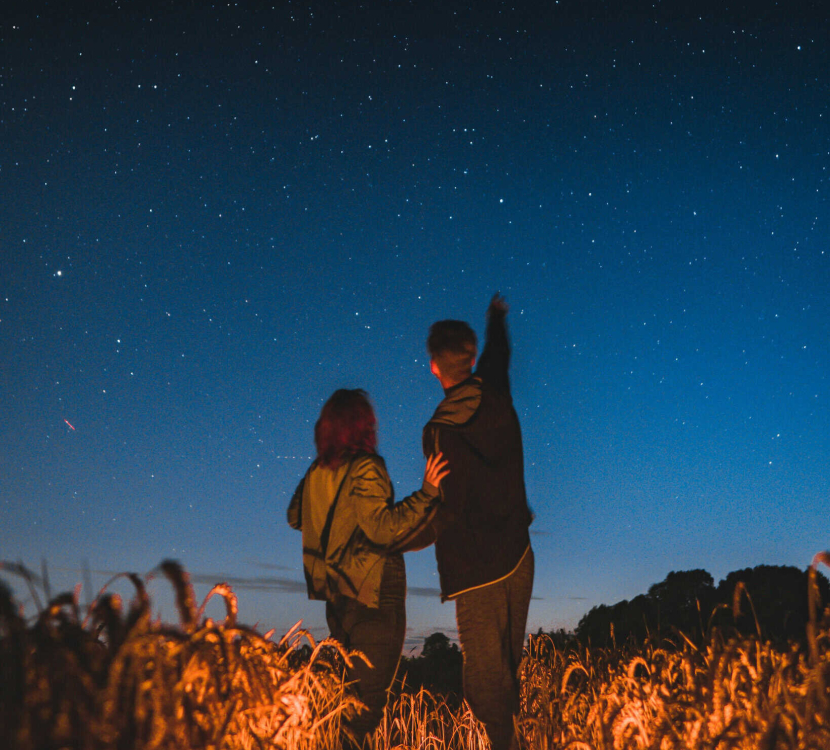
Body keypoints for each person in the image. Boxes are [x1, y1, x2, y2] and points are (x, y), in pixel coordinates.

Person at [287, 388, 449, 748]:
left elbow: (294, 517)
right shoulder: (366, 466)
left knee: (343, 706)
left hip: (337, 601)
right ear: (364, 426)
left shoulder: (317, 472)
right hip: (375, 593)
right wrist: (427, 492)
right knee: (363, 711)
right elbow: (381, 528)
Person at [422, 294, 534, 750]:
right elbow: (499, 353)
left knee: (487, 685)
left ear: (434, 366)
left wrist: (395, 535)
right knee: (507, 673)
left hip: (475, 573)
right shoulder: (496, 390)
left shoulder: (438, 431)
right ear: (470, 358)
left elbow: (446, 506)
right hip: (519, 555)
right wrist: (497, 317)